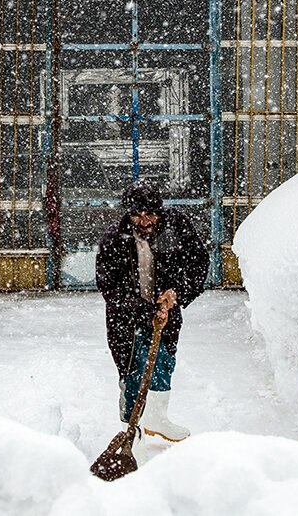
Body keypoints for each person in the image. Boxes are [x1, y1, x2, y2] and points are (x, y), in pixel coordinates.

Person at [95, 178, 209, 441]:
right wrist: (145, 311)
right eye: (137, 214)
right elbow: (109, 287)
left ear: (160, 210)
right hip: (127, 319)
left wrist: (176, 292)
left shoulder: (177, 226)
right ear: (128, 213)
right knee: (134, 369)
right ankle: (133, 430)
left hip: (168, 313)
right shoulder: (114, 240)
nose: (144, 220)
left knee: (163, 363)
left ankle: (157, 419)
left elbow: (198, 262)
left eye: (150, 214)